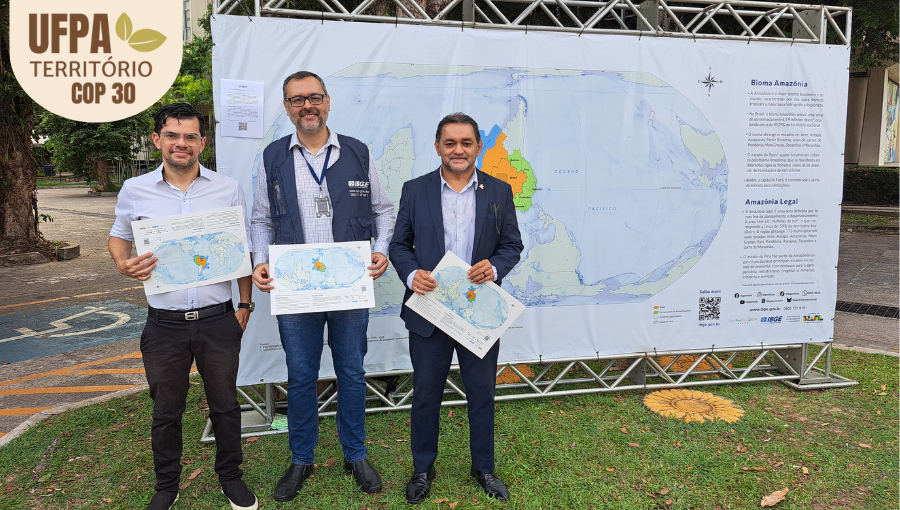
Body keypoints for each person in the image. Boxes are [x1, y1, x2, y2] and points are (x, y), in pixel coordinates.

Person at [249, 71, 395, 500]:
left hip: (349, 286)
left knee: (351, 371)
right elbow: (261, 219)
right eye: (297, 100)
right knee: (300, 375)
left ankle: (356, 453)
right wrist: (260, 261)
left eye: (314, 98)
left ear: (328, 102)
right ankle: (301, 459)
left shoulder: (357, 152)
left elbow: (384, 210)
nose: (307, 106)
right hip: (295, 287)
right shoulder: (272, 156)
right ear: (287, 107)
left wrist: (382, 249)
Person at [108, 103, 257, 510]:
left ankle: (231, 478)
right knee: (166, 411)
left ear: (202, 143)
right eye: (172, 135)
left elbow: (240, 249)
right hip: (164, 326)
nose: (181, 144)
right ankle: (166, 487)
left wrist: (244, 304)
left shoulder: (226, 188)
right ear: (157, 140)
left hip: (218, 320)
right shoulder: (135, 190)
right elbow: (119, 237)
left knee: (226, 405)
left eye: (190, 136)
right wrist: (123, 263)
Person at [389, 112, 524, 503]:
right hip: (429, 310)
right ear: (437, 147)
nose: (458, 150)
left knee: (481, 393)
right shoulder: (415, 190)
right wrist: (412, 274)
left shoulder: (499, 192)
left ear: (478, 147)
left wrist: (496, 266)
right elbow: (400, 245)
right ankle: (422, 468)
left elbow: (512, 245)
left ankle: (483, 468)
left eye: (466, 142)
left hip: (478, 311)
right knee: (426, 393)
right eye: (450, 143)